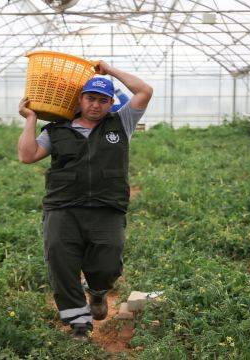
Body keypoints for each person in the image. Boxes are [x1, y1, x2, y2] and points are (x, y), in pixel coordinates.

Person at [17, 60, 153, 341]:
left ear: (110, 103)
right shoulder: (57, 130)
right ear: (79, 100)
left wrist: (111, 71)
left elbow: (145, 91)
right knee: (61, 263)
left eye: (103, 100)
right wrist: (31, 119)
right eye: (91, 98)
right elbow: (27, 155)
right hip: (62, 207)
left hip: (107, 208)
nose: (96, 105)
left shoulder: (122, 123)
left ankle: (99, 291)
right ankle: (80, 323)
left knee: (107, 263)